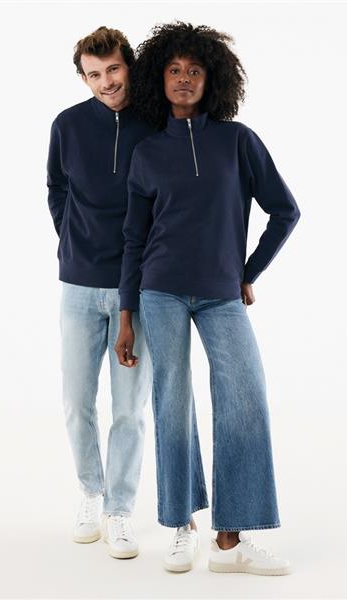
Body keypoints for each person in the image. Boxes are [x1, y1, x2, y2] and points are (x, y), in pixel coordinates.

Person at [114, 21, 300, 575]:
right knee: (172, 404)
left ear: (212, 78)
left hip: (221, 295)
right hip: (160, 291)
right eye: (174, 69)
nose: (184, 78)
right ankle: (181, 526)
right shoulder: (148, 153)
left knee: (246, 398)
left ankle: (230, 541)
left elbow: (285, 211)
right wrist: (126, 314)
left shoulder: (238, 141)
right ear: (159, 78)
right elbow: (134, 239)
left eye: (194, 70)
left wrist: (248, 272)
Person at [46, 26, 154, 559]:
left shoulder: (155, 123)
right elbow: (57, 188)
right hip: (78, 285)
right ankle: (91, 492)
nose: (106, 82)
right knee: (76, 402)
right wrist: (72, 238)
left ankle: (120, 510)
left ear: (128, 66)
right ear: (84, 78)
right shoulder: (66, 125)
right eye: (94, 74)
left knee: (130, 408)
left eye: (113, 69)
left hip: (139, 288)